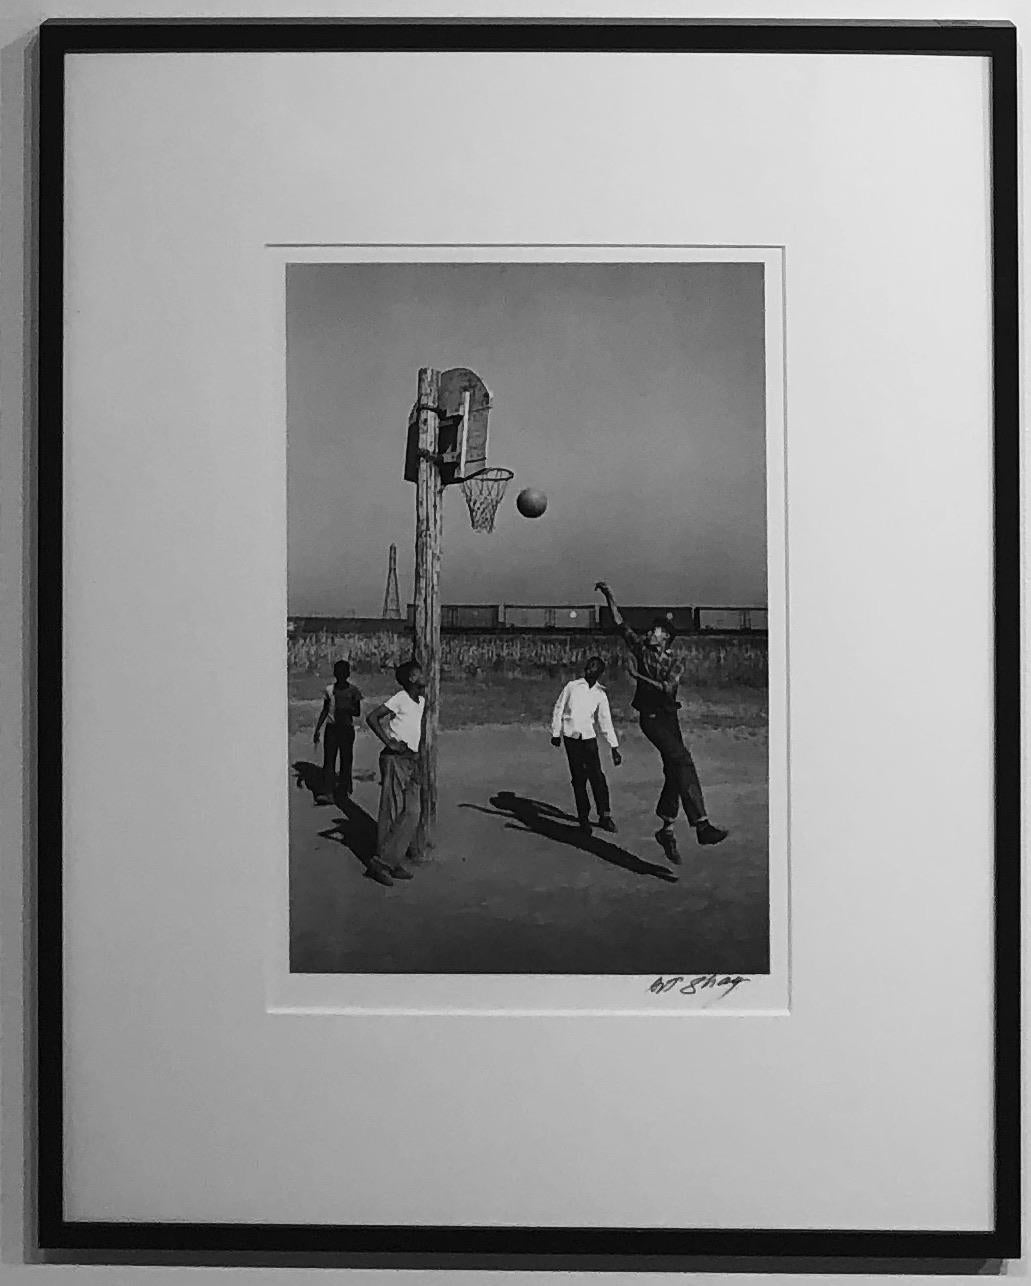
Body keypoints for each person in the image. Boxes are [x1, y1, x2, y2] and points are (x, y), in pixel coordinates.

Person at [595, 581, 728, 863]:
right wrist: (610, 597)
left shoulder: (675, 662)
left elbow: (668, 688)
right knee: (683, 759)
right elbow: (621, 624)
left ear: (665, 637)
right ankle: (701, 825)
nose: (651, 632)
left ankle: (666, 829)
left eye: (656, 630)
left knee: (674, 769)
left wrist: (637, 677)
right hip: (651, 718)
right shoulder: (641, 649)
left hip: (669, 716)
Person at [364, 660, 426, 887]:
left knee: (412, 811)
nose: (424, 676)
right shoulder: (400, 698)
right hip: (395, 759)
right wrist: (388, 741)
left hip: (412, 760)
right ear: (411, 678)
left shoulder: (421, 701)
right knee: (390, 810)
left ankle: (391, 859)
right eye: (419, 673)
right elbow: (372, 717)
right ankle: (382, 863)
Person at [551, 657, 622, 835]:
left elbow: (605, 721)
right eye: (588, 666)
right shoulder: (572, 687)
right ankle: (583, 818)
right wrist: (556, 733)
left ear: (599, 672)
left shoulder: (600, 694)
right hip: (571, 737)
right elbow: (559, 708)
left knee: (597, 777)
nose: (589, 670)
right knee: (579, 779)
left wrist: (614, 746)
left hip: (588, 738)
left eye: (594, 668)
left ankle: (605, 815)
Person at [313, 659, 362, 804]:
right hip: (332, 728)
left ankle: (343, 789)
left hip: (346, 728)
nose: (341, 675)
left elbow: (357, 712)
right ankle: (329, 792)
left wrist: (346, 709)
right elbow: (325, 710)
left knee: (346, 760)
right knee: (329, 761)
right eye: (338, 672)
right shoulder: (329, 690)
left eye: (343, 672)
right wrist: (317, 729)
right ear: (335, 673)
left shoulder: (354, 691)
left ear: (347, 674)